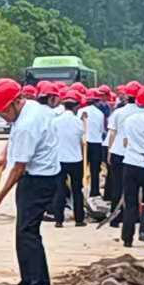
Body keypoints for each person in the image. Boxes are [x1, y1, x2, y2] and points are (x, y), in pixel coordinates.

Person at [0, 77, 60, 285]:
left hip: (38, 180)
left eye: (3, 111)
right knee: (23, 233)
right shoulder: (32, 110)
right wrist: (5, 152)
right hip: (36, 177)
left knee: (28, 233)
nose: (2, 116)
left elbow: (19, 168)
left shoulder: (28, 124)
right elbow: (15, 136)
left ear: (17, 101)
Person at [108, 83, 144, 248]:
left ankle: (127, 236)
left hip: (129, 163)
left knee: (130, 201)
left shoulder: (128, 119)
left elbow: (121, 138)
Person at [51, 89, 87, 228]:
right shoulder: (78, 122)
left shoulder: (55, 121)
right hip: (76, 159)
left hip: (59, 159)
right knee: (77, 190)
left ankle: (58, 220)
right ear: (76, 106)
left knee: (59, 189)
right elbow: (82, 137)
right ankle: (79, 219)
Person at [82, 87, 108, 202]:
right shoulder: (100, 113)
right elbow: (102, 130)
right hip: (97, 143)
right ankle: (94, 191)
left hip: (84, 142)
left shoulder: (81, 111)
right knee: (95, 169)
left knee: (82, 168)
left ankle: (82, 189)